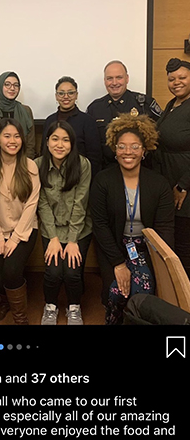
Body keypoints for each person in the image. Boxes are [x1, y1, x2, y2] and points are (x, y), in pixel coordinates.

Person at [90, 113, 174, 324]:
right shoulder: (102, 181)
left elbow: (165, 228)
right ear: (114, 149)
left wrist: (161, 262)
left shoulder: (159, 184)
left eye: (135, 146)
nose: (128, 152)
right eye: (122, 146)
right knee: (117, 291)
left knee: (142, 291)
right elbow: (99, 225)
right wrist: (118, 264)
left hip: (147, 248)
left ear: (144, 150)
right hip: (113, 247)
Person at [35, 121, 92, 325]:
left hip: (79, 229)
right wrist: (53, 238)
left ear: (72, 143)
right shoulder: (37, 164)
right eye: (55, 139)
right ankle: (50, 306)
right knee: (53, 272)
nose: (60, 145)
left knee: (72, 272)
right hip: (51, 229)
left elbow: (81, 203)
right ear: (47, 141)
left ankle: (73, 307)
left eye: (66, 140)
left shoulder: (83, 164)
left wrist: (73, 240)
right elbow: (41, 204)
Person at [0, 118, 40, 324]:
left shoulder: (29, 166)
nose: (13, 140)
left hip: (24, 229)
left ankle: (20, 316)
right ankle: (5, 302)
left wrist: (15, 239)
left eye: (17, 136)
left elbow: (31, 206)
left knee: (11, 271)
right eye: (7, 136)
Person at [152, 58, 190, 279]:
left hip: (184, 189)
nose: (177, 82)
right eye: (171, 79)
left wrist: (183, 186)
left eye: (182, 78)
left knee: (185, 247)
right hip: (168, 182)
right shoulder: (172, 105)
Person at [87, 61, 162, 167]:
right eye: (109, 78)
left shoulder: (143, 103)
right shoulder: (95, 108)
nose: (114, 82)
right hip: (107, 170)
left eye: (119, 77)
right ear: (105, 81)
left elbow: (161, 135)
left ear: (127, 78)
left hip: (141, 169)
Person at [42, 76, 102, 177]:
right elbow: (44, 152)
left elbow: (95, 157)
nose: (66, 96)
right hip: (52, 177)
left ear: (76, 95)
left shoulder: (87, 121)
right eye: (61, 93)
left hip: (80, 176)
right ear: (56, 96)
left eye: (70, 93)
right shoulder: (50, 121)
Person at [0, 71, 36, 159]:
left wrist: (26, 163)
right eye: (7, 84)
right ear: (0, 86)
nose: (12, 88)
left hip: (22, 160)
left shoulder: (25, 110)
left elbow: (30, 143)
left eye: (16, 85)